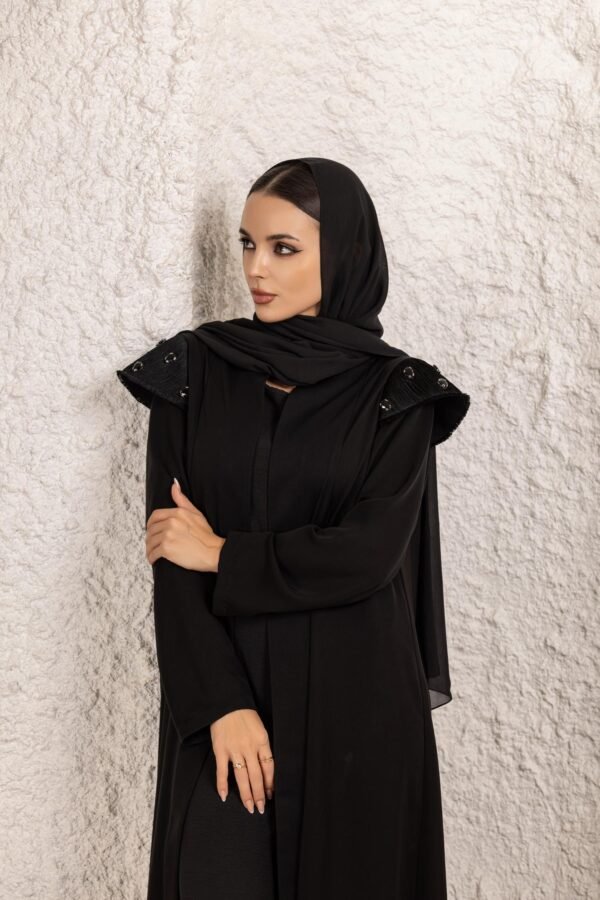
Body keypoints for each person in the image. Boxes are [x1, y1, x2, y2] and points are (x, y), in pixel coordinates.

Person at [116, 156, 471, 900]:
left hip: (357, 709)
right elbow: (172, 557)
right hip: (226, 700)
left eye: (283, 248)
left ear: (343, 254)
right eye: (248, 244)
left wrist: (224, 553)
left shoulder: (397, 393)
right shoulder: (194, 371)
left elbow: (368, 555)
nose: (256, 268)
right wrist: (221, 704)